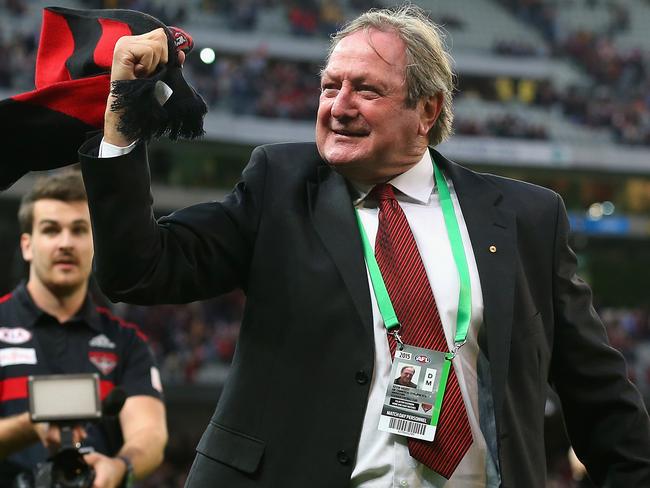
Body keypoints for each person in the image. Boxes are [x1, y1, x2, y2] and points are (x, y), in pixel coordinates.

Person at [77, 5, 650, 488]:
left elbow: (597, 395)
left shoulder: (527, 218)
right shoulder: (279, 184)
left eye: (366, 89)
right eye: (331, 86)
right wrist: (122, 123)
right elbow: (139, 270)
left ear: (427, 111)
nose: (338, 105)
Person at [0, 171, 168, 488]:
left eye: (79, 230)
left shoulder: (126, 343)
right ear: (27, 245)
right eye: (51, 230)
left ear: (96, 243)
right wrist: (31, 426)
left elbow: (150, 435)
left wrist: (119, 467)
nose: (66, 243)